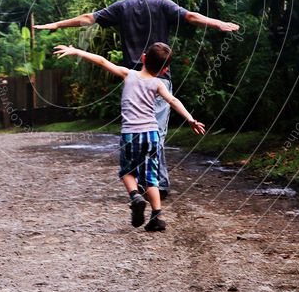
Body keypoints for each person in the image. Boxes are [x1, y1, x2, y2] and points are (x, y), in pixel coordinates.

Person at [37, 0, 238, 196]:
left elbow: (87, 19)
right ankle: (157, 184)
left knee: (136, 130)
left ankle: (142, 182)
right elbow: (191, 16)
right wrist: (218, 23)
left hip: (132, 79)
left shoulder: (123, 6)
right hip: (159, 79)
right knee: (156, 132)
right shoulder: (164, 5)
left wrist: (56, 24)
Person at [54, 41, 205, 232]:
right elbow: (173, 100)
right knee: (151, 177)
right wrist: (190, 119)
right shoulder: (158, 83)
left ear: (143, 58)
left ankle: (135, 196)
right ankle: (156, 217)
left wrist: (75, 50)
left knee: (127, 171)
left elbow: (101, 61)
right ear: (164, 69)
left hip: (130, 134)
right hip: (151, 134)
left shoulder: (128, 74)